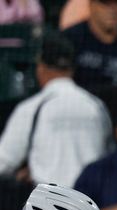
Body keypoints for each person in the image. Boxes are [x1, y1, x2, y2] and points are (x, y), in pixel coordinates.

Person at [0, 33, 111, 188]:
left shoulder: (31, 108)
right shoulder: (96, 106)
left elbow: (3, 162)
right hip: (90, 204)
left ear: (41, 68)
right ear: (71, 69)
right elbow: (109, 157)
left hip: (47, 206)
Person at [61, 0, 117, 88]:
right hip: (82, 101)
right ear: (92, 5)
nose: (112, 9)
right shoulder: (71, 37)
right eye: (105, 3)